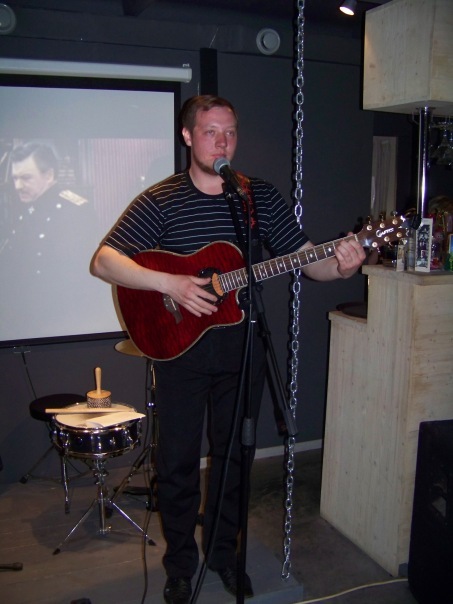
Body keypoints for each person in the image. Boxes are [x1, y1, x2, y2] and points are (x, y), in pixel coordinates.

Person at [91, 95, 365, 604]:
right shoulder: (163, 199)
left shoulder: (256, 197)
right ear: (188, 136)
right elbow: (105, 261)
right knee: (177, 463)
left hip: (242, 349)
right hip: (178, 350)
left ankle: (224, 555)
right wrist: (171, 284)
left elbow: (308, 260)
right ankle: (180, 567)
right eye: (211, 132)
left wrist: (341, 264)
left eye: (230, 132)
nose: (222, 143)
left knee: (234, 458)